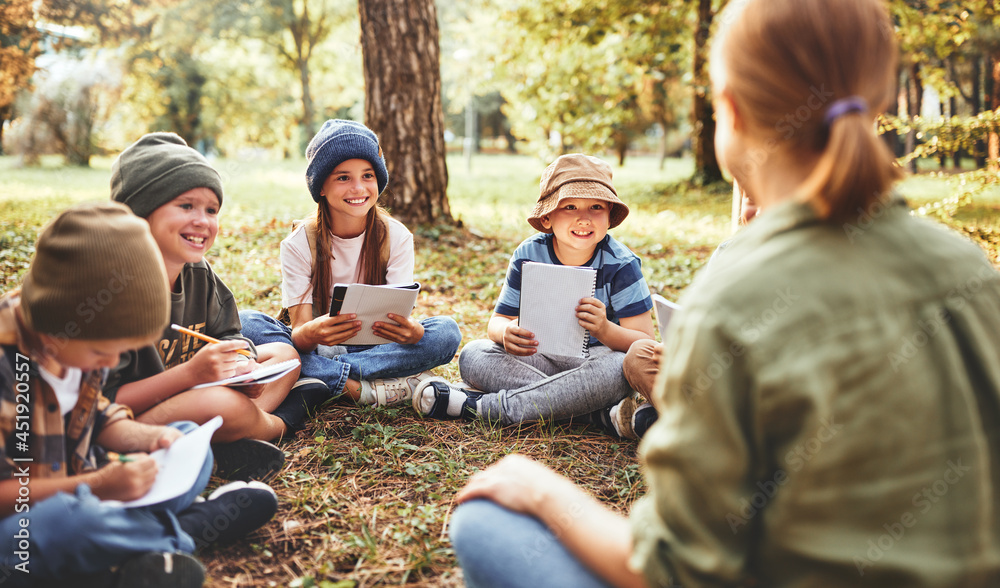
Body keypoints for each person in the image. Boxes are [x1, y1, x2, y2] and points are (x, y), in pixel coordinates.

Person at [447, 0, 1000, 586]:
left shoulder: (734, 298)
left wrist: (539, 489)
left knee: (484, 519)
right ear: (880, 99)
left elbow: (672, 567)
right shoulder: (974, 271)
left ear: (729, 111)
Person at [0, 202, 277, 587]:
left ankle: (129, 541)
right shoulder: (7, 365)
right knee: (67, 522)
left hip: (85, 477)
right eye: (102, 353)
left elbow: (99, 416)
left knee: (181, 439)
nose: (110, 363)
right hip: (28, 518)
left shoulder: (81, 340)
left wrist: (151, 438)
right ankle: (183, 534)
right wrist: (96, 487)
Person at [105, 132, 301, 481]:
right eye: (186, 206)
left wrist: (242, 366)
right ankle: (280, 422)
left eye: (211, 210)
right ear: (140, 212)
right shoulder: (113, 292)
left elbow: (230, 335)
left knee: (286, 357)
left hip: (194, 392)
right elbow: (104, 401)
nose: (203, 221)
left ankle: (221, 435)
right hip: (127, 421)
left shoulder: (198, 272)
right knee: (219, 406)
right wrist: (190, 374)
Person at [414, 153, 654, 430]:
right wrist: (506, 334)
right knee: (473, 354)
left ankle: (481, 407)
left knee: (618, 370)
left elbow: (643, 344)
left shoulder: (622, 264)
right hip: (538, 358)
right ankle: (593, 415)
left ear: (610, 215)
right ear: (548, 217)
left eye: (596, 207)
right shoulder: (529, 254)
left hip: (594, 363)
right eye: (570, 207)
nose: (584, 219)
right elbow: (498, 322)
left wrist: (604, 329)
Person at [239, 119, 462, 410]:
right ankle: (363, 389)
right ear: (321, 187)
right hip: (317, 344)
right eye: (343, 177)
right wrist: (317, 333)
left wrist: (415, 333)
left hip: (375, 346)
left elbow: (394, 318)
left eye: (367, 175)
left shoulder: (396, 236)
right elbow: (300, 333)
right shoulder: (299, 243)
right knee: (245, 324)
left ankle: (317, 374)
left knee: (446, 332)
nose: (358, 188)